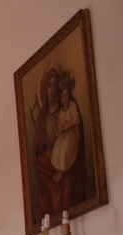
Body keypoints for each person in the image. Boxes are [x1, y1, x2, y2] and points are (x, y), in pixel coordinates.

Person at [33, 66, 87, 218]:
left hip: (67, 155)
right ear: (45, 89)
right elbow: (37, 151)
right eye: (49, 86)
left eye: (54, 85)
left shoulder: (67, 107)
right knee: (49, 178)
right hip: (51, 160)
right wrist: (46, 153)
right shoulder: (42, 117)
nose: (52, 90)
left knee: (68, 183)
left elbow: (76, 134)